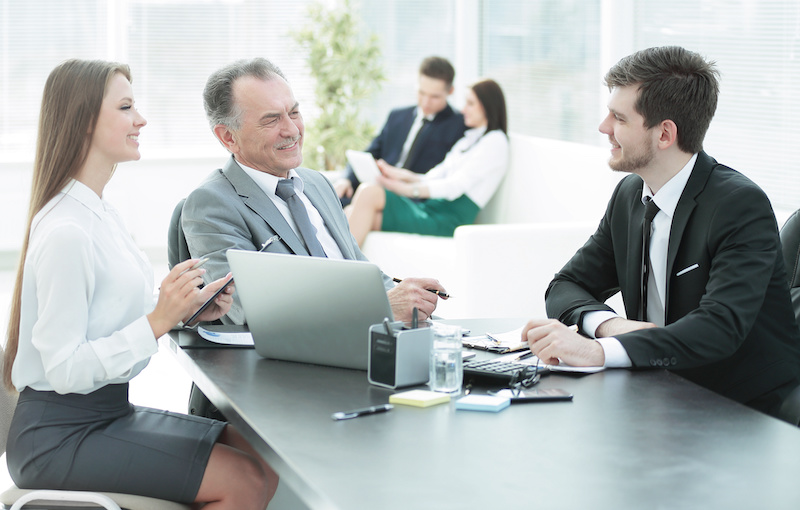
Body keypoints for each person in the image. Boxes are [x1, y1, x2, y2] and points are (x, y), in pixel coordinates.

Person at [3, 59, 277, 508]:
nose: (141, 119)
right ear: (85, 122)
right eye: (126, 107)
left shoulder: (100, 213)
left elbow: (106, 315)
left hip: (105, 415)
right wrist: (156, 320)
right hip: (59, 436)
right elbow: (65, 370)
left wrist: (183, 309)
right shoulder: (66, 231)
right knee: (244, 480)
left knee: (260, 455)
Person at [522, 46, 800, 418]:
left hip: (738, 407)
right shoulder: (630, 194)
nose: (604, 128)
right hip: (656, 393)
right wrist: (610, 325)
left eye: (619, 118)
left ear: (664, 134)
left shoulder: (738, 205)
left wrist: (600, 351)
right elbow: (565, 286)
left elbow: (719, 327)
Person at [181, 57, 446, 327]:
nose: (293, 130)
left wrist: (416, 304)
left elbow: (360, 269)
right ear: (228, 137)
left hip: (369, 340)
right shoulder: (211, 204)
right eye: (272, 120)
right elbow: (247, 309)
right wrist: (381, 307)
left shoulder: (317, 184)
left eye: (294, 113)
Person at [345, 78, 509, 247]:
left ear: (488, 106)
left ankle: (343, 267)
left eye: (470, 104)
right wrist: (395, 173)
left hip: (447, 219)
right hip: (431, 209)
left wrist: (404, 189)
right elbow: (433, 176)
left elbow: (454, 187)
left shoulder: (495, 142)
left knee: (369, 193)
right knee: (353, 211)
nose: (463, 109)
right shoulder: (470, 140)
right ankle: (342, 265)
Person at [335, 56, 466, 205]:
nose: (425, 102)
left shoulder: (459, 125)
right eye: (421, 93)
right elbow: (369, 153)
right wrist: (345, 179)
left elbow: (449, 176)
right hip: (377, 188)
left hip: (413, 199)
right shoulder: (397, 116)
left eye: (434, 97)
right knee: (332, 203)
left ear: (451, 91)